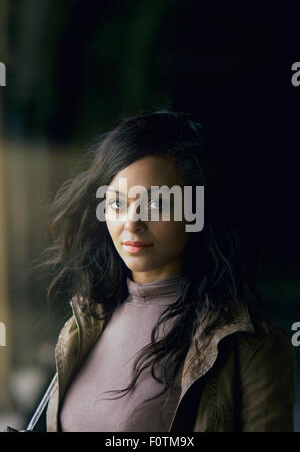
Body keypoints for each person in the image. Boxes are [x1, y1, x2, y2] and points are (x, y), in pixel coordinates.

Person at [43, 110, 296, 432]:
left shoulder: (251, 349)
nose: (131, 223)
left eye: (157, 204)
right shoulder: (85, 323)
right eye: (117, 203)